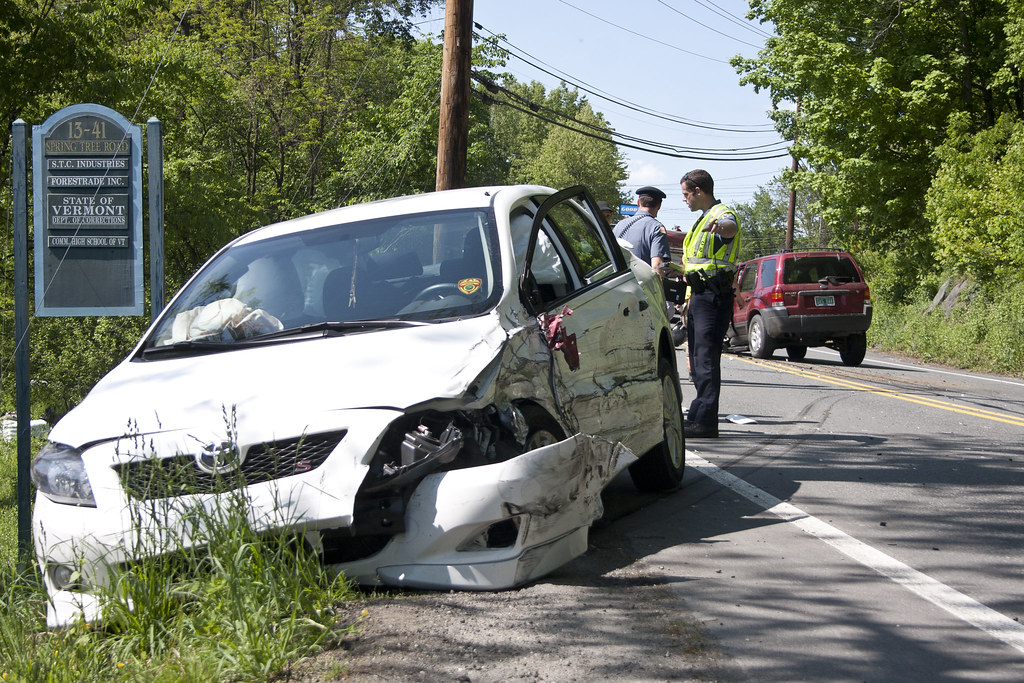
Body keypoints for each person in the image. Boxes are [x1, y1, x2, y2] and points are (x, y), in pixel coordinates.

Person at [677, 169, 741, 438]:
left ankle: (705, 422)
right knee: (697, 359)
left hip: (713, 297)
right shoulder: (701, 219)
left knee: (706, 358)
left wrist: (722, 228)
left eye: (685, 194)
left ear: (698, 191)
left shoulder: (721, 215)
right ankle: (698, 415)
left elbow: (731, 226)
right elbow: (697, 262)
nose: (684, 200)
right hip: (699, 295)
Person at [613, 186, 670, 273]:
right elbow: (657, 266)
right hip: (641, 283)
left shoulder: (619, 225)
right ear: (659, 205)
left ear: (638, 202)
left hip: (616, 281)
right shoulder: (657, 228)